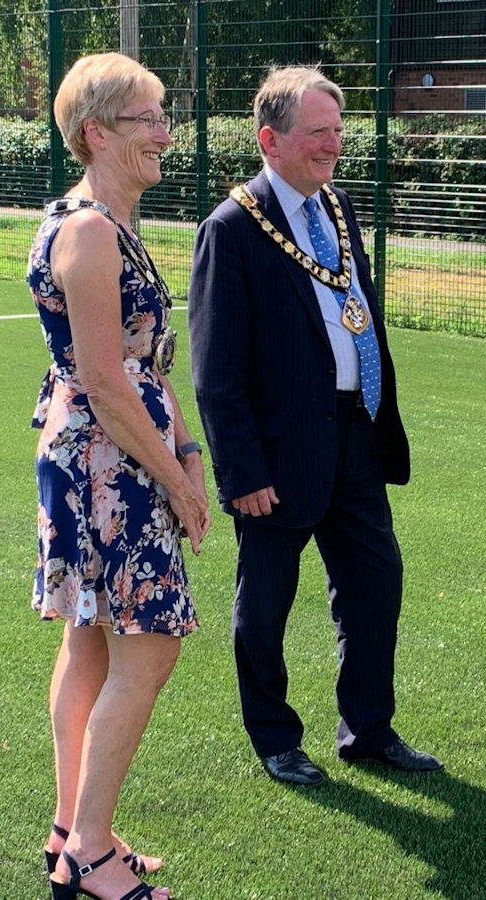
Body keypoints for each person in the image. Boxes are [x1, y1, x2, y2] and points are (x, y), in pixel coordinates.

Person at [188, 65, 442, 786]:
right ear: (270, 140)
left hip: (353, 432)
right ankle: (275, 737)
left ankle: (368, 730)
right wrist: (242, 472)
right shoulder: (231, 229)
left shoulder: (337, 207)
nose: (334, 144)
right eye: (318, 132)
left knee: (374, 583)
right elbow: (216, 370)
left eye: (339, 130)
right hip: (276, 452)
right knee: (265, 603)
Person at [28, 53, 210, 899]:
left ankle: (72, 833)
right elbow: (105, 378)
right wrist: (174, 478)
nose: (165, 133)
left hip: (103, 453)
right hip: (109, 462)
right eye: (149, 119)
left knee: (90, 640)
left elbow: (145, 363)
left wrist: (191, 454)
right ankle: (91, 854)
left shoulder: (105, 222)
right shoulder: (91, 231)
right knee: (150, 643)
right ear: (96, 132)